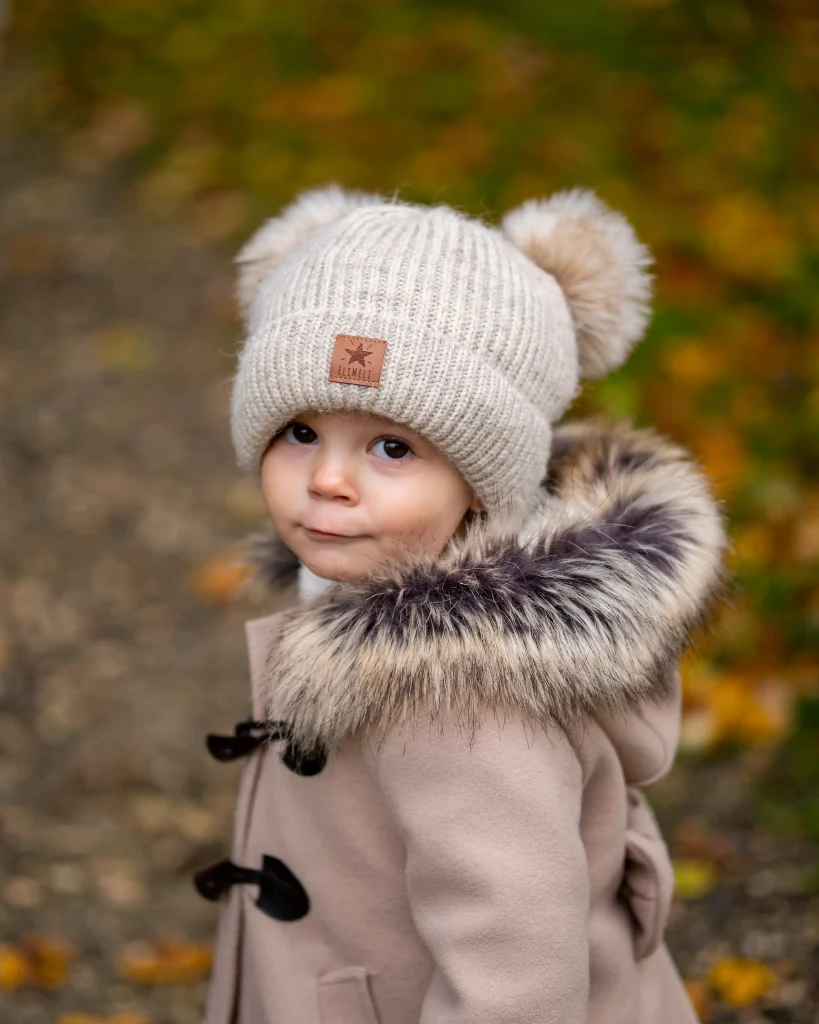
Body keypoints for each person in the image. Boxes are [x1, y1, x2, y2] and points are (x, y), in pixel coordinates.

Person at [194, 184, 727, 1024]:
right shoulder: (358, 591)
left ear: (484, 483)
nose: (328, 479)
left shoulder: (462, 698)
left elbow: (515, 973)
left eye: (392, 446)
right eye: (300, 432)